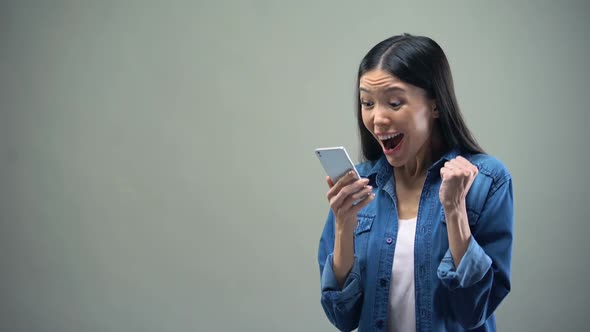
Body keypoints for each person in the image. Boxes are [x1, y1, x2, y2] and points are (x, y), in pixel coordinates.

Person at [317, 33, 513, 332]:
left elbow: (475, 310)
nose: (377, 119)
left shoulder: (486, 180)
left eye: (394, 103)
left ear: (435, 105)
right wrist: (344, 227)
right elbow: (342, 317)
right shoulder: (357, 187)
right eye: (367, 103)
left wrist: (455, 210)